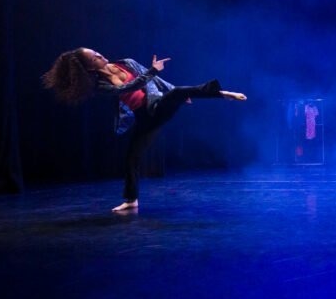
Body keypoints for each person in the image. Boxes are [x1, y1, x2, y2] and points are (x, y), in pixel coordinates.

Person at [42, 47, 246, 214]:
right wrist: (153, 70)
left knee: (178, 91)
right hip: (144, 118)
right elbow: (127, 89)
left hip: (156, 105)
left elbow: (154, 81)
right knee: (132, 158)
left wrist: (173, 90)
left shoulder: (127, 63)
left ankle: (222, 93)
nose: (101, 55)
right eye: (95, 58)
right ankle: (131, 201)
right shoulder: (99, 85)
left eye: (97, 53)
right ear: (89, 68)